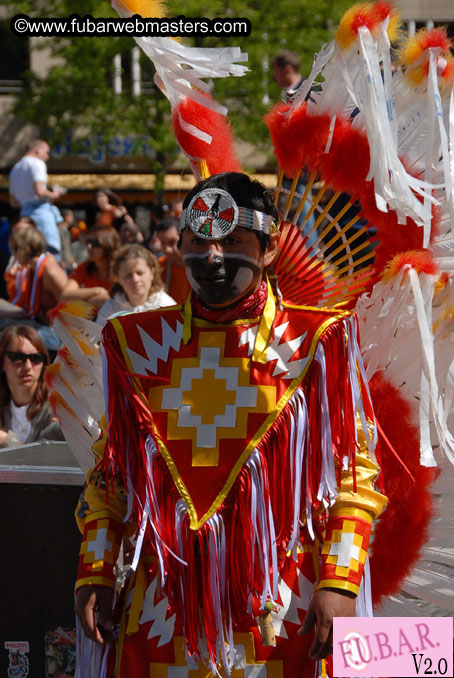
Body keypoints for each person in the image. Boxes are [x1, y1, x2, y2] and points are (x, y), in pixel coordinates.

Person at [74, 172, 387, 677]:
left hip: (282, 605)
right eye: (197, 242)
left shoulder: (315, 343)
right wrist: (95, 567)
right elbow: (112, 475)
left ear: (268, 249)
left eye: (231, 241)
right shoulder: (136, 346)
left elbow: (353, 475)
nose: (212, 257)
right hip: (164, 606)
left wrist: (339, 581)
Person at [1, 227, 68, 351]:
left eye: (15, 249)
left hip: (55, 333)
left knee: (6, 339)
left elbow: (69, 307)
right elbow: (30, 310)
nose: (13, 255)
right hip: (39, 323)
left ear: (24, 249)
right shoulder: (32, 268)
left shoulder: (50, 271)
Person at [0, 325, 63, 447]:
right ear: (2, 362)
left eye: (35, 358)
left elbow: (37, 460)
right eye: (18, 357)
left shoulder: (59, 408)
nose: (28, 366)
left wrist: (6, 441)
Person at [96, 244, 175, 325]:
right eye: (128, 275)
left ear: (152, 272)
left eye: (140, 273)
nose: (135, 280)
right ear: (118, 278)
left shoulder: (166, 307)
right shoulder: (109, 310)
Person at [9, 139, 63, 257]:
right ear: (37, 150)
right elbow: (40, 191)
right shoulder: (37, 163)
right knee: (50, 251)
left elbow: (13, 202)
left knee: (27, 253)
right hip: (41, 213)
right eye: (46, 152)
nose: (47, 156)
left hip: (24, 215)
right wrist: (54, 194)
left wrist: (26, 201)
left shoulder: (15, 168)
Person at [64, 227, 120, 308]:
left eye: (95, 243)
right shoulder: (86, 266)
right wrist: (98, 290)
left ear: (109, 245)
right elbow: (65, 295)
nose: (89, 247)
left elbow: (117, 300)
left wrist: (83, 301)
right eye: (88, 242)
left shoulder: (120, 268)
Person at [153, 216, 191, 304]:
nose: (167, 249)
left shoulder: (201, 266)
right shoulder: (159, 267)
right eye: (162, 243)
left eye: (172, 242)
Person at [58, 208, 76, 272]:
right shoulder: (59, 230)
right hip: (62, 264)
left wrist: (71, 258)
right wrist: (61, 260)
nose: (73, 218)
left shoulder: (67, 232)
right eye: (71, 216)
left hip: (68, 264)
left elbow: (67, 247)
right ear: (65, 217)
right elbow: (58, 246)